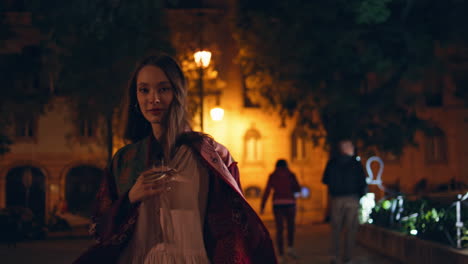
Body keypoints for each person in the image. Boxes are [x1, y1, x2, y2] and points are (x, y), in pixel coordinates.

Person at [74, 54, 276, 264]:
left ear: (178, 93)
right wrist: (131, 197)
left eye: (163, 89)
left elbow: (232, 230)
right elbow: (100, 229)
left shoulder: (212, 157)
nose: (154, 98)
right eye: (144, 90)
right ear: (136, 97)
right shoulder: (125, 160)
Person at [322, 139, 367, 264]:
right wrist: (360, 195)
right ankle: (348, 258)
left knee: (336, 229)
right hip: (352, 198)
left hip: (337, 199)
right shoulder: (356, 163)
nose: (353, 148)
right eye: (351, 146)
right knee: (351, 229)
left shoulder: (332, 163)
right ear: (346, 148)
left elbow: (325, 180)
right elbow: (362, 182)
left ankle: (335, 256)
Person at [260, 159, 301, 262]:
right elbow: (297, 189)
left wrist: (263, 206)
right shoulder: (291, 174)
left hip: (277, 204)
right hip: (290, 203)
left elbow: (267, 190)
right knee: (291, 226)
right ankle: (290, 248)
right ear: (286, 165)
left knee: (279, 229)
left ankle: (281, 254)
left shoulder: (273, 175)